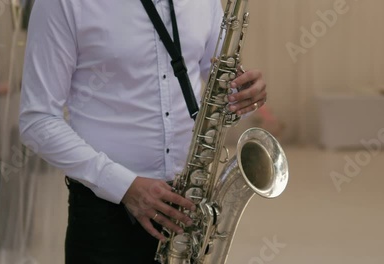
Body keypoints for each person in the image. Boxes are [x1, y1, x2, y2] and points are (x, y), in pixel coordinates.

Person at [19, 0, 267, 263]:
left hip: (189, 207)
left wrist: (244, 94)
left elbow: (217, 75)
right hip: (106, 216)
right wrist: (124, 186)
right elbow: (37, 120)